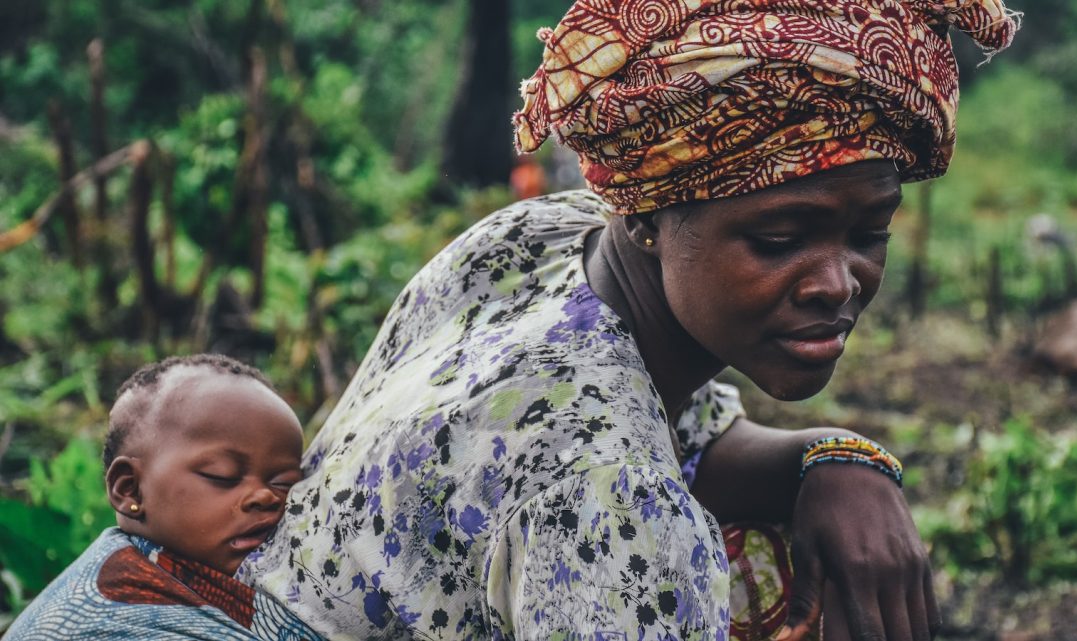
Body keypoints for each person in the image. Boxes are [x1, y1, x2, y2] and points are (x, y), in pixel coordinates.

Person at [239, 1, 1019, 640]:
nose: (835, 282)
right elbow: (619, 463)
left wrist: (839, 459)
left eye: (868, 232)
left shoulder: (537, 241)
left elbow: (691, 441)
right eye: (779, 240)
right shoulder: (605, 494)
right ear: (647, 217)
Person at [5, 354, 324, 640]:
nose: (265, 496)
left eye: (283, 483)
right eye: (222, 475)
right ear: (129, 489)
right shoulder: (109, 623)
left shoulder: (193, 577)